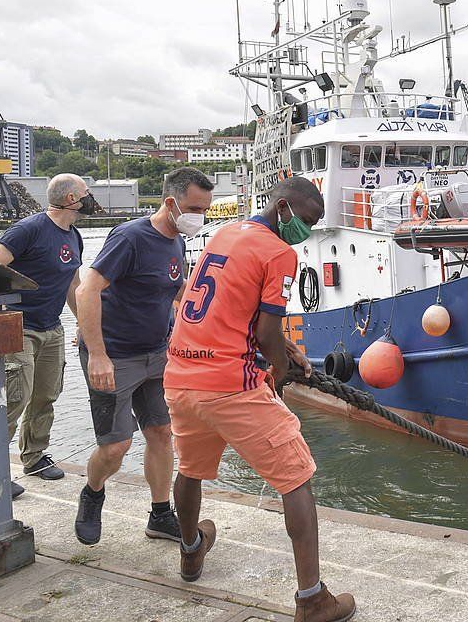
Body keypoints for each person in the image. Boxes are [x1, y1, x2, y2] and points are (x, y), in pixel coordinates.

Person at [163, 176, 354, 621]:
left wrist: (282, 347)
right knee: (297, 477)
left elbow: (227, 307)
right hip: (231, 385)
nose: (308, 230)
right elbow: (266, 330)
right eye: (308, 220)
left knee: (190, 469)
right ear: (284, 207)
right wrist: (280, 371)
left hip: (181, 376)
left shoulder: (225, 235)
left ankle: (191, 551)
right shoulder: (278, 252)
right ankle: (312, 599)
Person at [73, 167, 214, 546]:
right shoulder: (131, 238)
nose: (199, 217)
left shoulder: (176, 241)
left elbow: (172, 286)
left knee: (161, 432)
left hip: (156, 354)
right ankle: (93, 491)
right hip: (115, 355)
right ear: (170, 202)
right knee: (116, 446)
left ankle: (160, 514)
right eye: (194, 208)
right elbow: (89, 289)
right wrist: (97, 355)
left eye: (205, 209)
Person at [0, 174, 92, 498]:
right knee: (15, 399)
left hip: (52, 328)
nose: (90, 198)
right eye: (86, 193)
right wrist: (0, 313)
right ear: (71, 198)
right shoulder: (28, 230)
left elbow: (73, 284)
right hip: (19, 327)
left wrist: (84, 323)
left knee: (46, 395)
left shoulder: (74, 236)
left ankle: (33, 457)